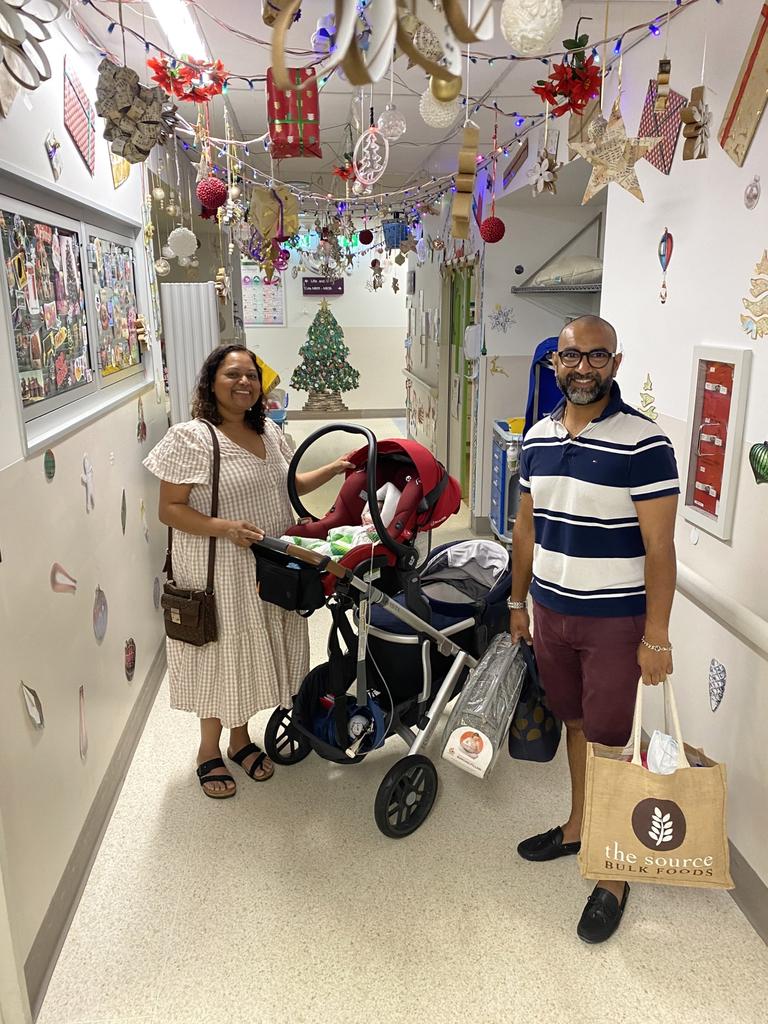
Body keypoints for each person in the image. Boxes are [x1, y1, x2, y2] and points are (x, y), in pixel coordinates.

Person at [509, 315, 679, 943]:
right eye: (571, 357)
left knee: (611, 740)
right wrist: (517, 603)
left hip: (614, 620)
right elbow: (526, 527)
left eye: (596, 356)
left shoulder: (644, 442)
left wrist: (655, 635)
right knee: (575, 724)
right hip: (551, 614)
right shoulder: (538, 437)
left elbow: (660, 548)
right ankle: (579, 825)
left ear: (616, 362)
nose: (583, 368)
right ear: (554, 363)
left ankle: (612, 872)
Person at [144, 345, 353, 799]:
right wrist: (225, 528)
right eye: (233, 374)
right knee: (220, 655)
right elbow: (169, 509)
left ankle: (240, 741)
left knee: (248, 655)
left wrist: (335, 468)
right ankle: (207, 750)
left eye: (252, 376)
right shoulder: (191, 437)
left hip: (269, 568)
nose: (245, 383)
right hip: (217, 570)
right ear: (211, 382)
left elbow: (289, 483)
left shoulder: (271, 433)